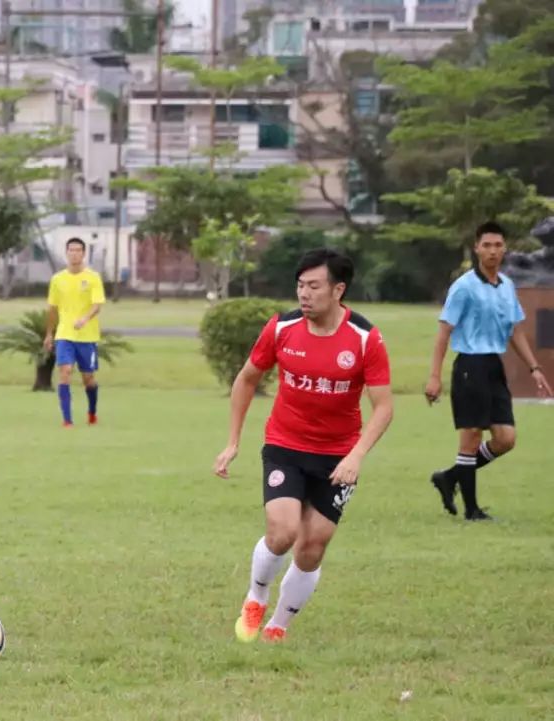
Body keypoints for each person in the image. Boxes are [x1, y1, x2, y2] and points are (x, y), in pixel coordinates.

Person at [213, 249, 393, 643]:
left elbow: (383, 408)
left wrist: (356, 456)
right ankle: (255, 597)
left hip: (338, 457)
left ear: (338, 289)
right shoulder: (281, 328)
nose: (304, 293)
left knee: (312, 546)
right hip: (285, 445)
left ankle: (278, 625)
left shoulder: (365, 339)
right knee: (283, 532)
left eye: (313, 286)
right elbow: (246, 380)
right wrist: (233, 442)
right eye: (300, 285)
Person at [425, 222, 551, 521]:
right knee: (470, 437)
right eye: (487, 245)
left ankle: (449, 477)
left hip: (495, 366)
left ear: (505, 249)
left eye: (498, 245)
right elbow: (444, 333)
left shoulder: (507, 286)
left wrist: (534, 367)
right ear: (477, 249)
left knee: (506, 438)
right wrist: (434, 376)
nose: (493, 251)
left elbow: (514, 331)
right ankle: (471, 510)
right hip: (469, 365)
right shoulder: (464, 286)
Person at [43, 238, 106, 426]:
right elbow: (52, 309)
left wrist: (85, 319)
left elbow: (97, 305)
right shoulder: (57, 279)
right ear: (66, 252)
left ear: (84, 253)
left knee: (88, 378)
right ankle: (67, 420)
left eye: (78, 250)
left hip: (87, 336)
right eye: (71, 250)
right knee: (65, 371)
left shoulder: (93, 278)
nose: (74, 253)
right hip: (64, 334)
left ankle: (92, 412)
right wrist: (49, 334)